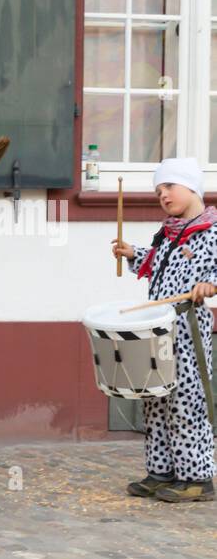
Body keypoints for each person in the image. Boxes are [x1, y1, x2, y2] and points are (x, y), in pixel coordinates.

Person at [112, 156, 217, 502]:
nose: (164, 195)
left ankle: (197, 478)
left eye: (169, 187)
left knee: (187, 401)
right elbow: (156, 265)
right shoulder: (167, 233)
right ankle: (162, 471)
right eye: (159, 190)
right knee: (155, 399)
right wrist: (133, 253)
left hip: (188, 330)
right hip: (156, 330)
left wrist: (210, 285)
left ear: (191, 187)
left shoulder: (212, 229)